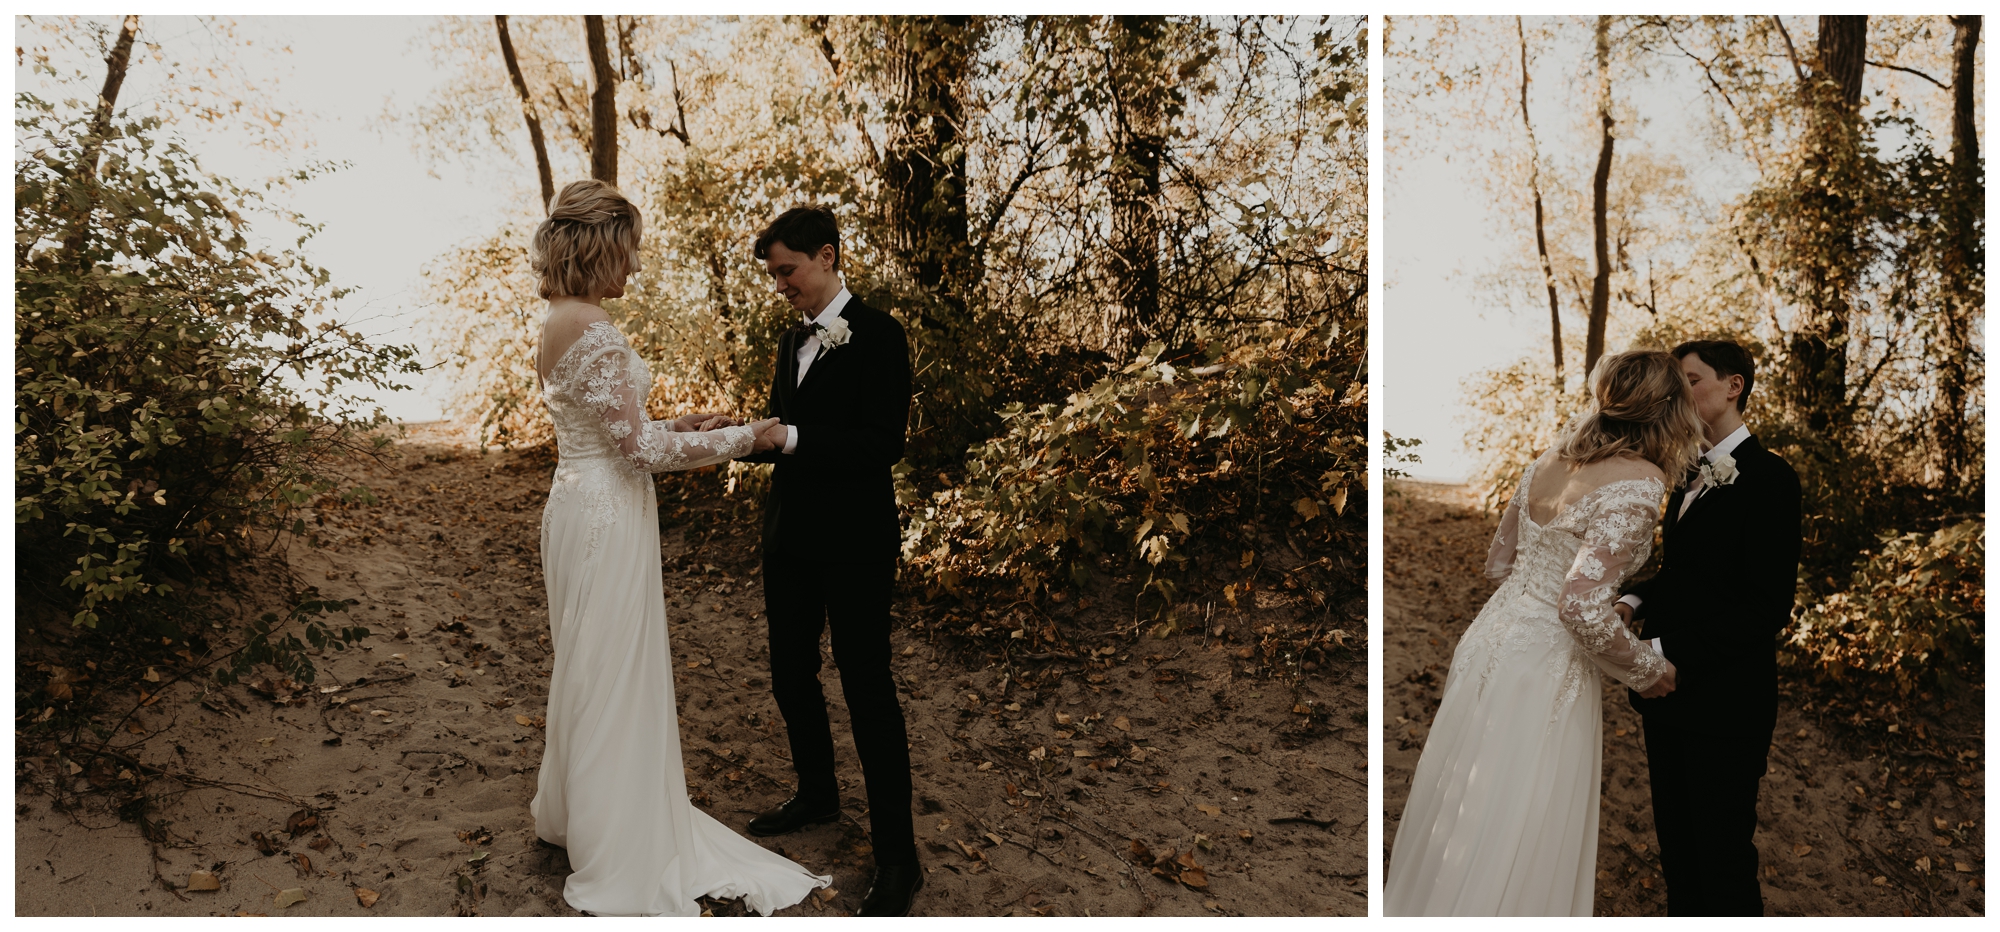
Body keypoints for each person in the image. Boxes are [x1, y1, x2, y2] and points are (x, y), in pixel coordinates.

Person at [527, 179, 829, 916]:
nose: (631, 270)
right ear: (599, 251)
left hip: (578, 501)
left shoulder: (558, 320)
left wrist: (686, 424)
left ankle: (581, 813)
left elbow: (615, 428)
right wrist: (742, 437)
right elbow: (636, 453)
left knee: (591, 663)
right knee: (613, 670)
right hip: (607, 512)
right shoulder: (593, 328)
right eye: (626, 255)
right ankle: (616, 840)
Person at [1386, 350, 1705, 915]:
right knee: (1521, 811)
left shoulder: (1550, 460)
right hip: (1545, 668)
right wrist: (1648, 669)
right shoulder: (1641, 481)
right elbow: (1579, 607)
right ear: (1667, 409)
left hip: (1491, 638)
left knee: (1470, 799)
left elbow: (1505, 560)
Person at [733, 206, 924, 916]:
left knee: (868, 689)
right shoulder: (791, 343)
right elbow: (784, 430)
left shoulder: (879, 335)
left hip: (855, 544)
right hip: (789, 539)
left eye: (788, 270)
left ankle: (899, 859)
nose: (780, 284)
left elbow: (882, 444)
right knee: (790, 673)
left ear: (828, 256)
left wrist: (789, 439)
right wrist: (740, 438)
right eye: (774, 274)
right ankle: (817, 792)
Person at [1618, 340, 1802, 916]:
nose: (1681, 392)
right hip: (1666, 697)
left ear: (1733, 386)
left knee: (1722, 861)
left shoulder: (1772, 479)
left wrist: (1664, 650)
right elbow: (1682, 575)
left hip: (1727, 703)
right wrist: (1630, 598)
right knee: (1678, 852)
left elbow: (1766, 607)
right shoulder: (1686, 474)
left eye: (1692, 379)